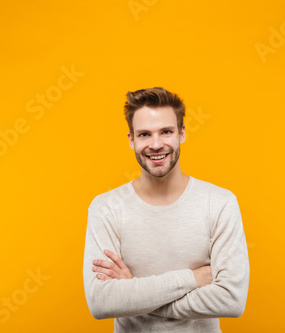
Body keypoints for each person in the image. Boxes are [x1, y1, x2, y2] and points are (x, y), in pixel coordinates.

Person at [82, 87, 250, 332]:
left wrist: (133, 291)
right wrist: (192, 278)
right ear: (131, 140)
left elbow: (232, 299)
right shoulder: (106, 208)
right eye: (145, 134)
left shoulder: (220, 203)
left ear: (181, 133)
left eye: (166, 132)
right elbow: (101, 302)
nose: (156, 144)